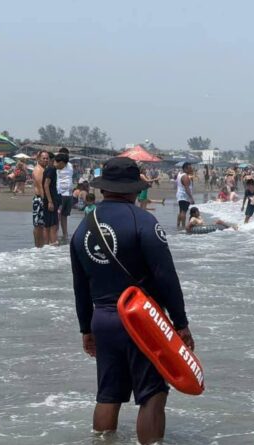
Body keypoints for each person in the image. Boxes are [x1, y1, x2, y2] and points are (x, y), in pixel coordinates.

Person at [70, 157, 194, 444]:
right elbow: (166, 276)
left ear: (104, 189)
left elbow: (80, 286)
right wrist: (180, 322)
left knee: (108, 395)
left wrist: (85, 329)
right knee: (152, 394)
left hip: (102, 319)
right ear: (134, 189)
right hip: (142, 320)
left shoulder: (83, 227)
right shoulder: (144, 221)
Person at [43, 153, 66, 246]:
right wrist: (50, 201)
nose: (64, 167)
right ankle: (52, 245)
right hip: (50, 201)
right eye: (64, 165)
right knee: (53, 225)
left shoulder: (51, 169)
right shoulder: (52, 169)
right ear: (60, 162)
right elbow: (46, 185)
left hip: (51, 200)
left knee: (48, 224)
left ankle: (47, 246)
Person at [32, 151, 50, 247]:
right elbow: (41, 187)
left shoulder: (44, 169)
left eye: (47, 158)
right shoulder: (38, 170)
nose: (46, 160)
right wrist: (46, 202)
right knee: (39, 226)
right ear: (39, 159)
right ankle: (38, 246)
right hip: (40, 199)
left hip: (41, 199)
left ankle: (39, 247)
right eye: (44, 158)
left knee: (41, 225)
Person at [57, 148, 75, 241]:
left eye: (66, 155)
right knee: (58, 215)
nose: (64, 157)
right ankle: (55, 234)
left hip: (69, 194)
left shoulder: (70, 165)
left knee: (65, 215)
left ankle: (65, 234)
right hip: (60, 193)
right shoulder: (56, 165)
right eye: (62, 155)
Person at [175, 163, 195, 230]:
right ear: (185, 169)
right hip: (184, 196)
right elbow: (187, 188)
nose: (191, 169)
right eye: (190, 168)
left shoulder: (180, 174)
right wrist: (191, 198)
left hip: (180, 195)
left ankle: (178, 225)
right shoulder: (185, 176)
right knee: (184, 211)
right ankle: (183, 227)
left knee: (181, 211)